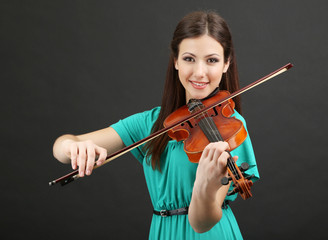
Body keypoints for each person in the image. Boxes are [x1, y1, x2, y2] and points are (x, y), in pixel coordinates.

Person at [53, 10, 260, 239]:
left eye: (211, 60)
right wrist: (73, 148)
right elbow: (62, 147)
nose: (199, 72)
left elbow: (202, 223)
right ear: (176, 62)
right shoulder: (151, 123)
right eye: (189, 58)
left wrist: (204, 185)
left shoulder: (231, 127)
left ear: (226, 64)